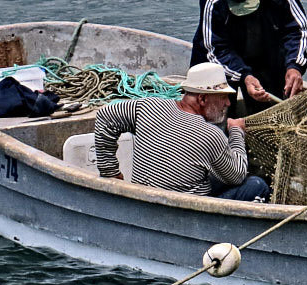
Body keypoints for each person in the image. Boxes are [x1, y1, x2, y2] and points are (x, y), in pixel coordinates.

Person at [93, 62, 269, 201]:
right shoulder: (210, 134)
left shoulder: (147, 106)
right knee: (257, 185)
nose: (228, 104)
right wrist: (236, 132)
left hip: (144, 199)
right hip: (187, 209)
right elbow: (236, 176)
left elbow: (105, 116)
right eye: (223, 97)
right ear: (202, 98)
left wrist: (109, 171)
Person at [191, 0, 307, 114]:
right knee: (213, 114)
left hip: (266, 46)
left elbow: (298, 28)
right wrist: (245, 76)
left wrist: (294, 66)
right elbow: (216, 50)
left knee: (271, 108)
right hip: (221, 57)